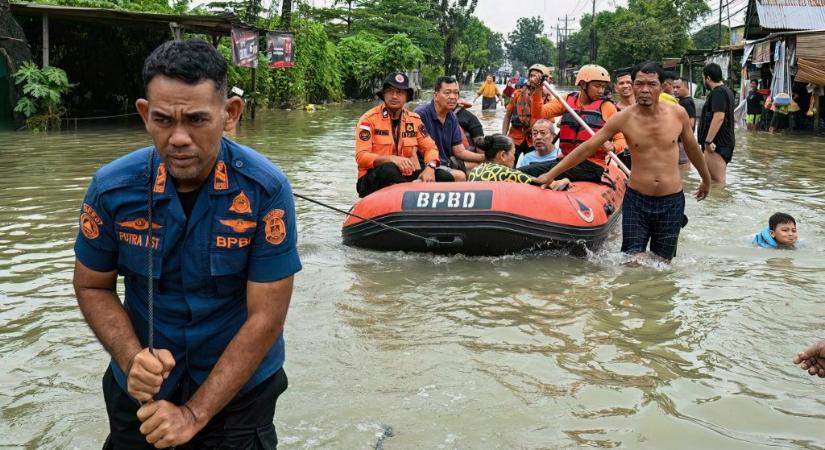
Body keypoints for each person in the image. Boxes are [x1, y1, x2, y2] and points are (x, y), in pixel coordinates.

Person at [72, 39, 301, 449]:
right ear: (145, 114)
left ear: (229, 114)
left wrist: (195, 414)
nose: (178, 138)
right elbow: (92, 285)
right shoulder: (111, 189)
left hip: (239, 392)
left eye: (196, 120)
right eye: (163, 120)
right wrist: (130, 358)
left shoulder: (266, 190)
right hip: (142, 388)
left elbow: (266, 317)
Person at [535, 61, 712, 262]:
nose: (645, 90)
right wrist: (550, 175)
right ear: (633, 86)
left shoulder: (677, 113)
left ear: (662, 86)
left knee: (663, 263)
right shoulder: (623, 118)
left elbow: (692, 149)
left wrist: (706, 179)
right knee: (630, 261)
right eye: (640, 84)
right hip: (637, 200)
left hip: (671, 200)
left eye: (652, 84)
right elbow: (587, 148)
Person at [523, 64, 627, 184]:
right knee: (528, 168)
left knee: (529, 171)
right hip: (565, 162)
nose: (601, 91)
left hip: (591, 166)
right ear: (583, 84)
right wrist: (538, 90)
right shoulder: (566, 100)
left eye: (603, 87)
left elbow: (621, 139)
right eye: (597, 86)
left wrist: (613, 147)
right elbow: (539, 113)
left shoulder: (607, 107)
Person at [355, 72, 454, 197]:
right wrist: (392, 159)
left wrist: (431, 167)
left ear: (407, 96)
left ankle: (415, 195)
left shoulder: (414, 119)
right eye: (390, 91)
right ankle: (413, 190)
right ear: (384, 94)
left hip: (403, 176)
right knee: (389, 168)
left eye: (400, 92)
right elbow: (361, 157)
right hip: (372, 178)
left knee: (444, 176)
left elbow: (430, 147)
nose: (395, 96)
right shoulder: (368, 119)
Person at [415, 76, 483, 177]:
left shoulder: (452, 117)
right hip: (427, 165)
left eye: (456, 93)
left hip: (446, 162)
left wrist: (485, 158)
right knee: (460, 176)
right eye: (447, 93)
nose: (453, 97)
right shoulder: (420, 115)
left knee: (482, 168)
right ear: (436, 95)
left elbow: (459, 151)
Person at [502, 64, 550, 164]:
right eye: (531, 75)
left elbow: (550, 123)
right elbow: (507, 116)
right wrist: (504, 137)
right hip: (514, 138)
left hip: (535, 141)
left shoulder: (547, 98)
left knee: (533, 170)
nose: (533, 79)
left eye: (537, 76)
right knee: (507, 166)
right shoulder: (517, 94)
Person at [697, 62, 736, 184]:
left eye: (703, 78)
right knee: (713, 183)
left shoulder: (718, 92)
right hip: (722, 142)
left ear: (708, 78)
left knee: (717, 183)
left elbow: (719, 117)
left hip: (716, 145)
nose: (703, 81)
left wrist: (708, 141)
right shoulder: (726, 91)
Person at [468, 134, 553, 185]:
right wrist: (565, 180)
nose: (514, 158)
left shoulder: (475, 170)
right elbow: (539, 182)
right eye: (513, 153)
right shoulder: (506, 172)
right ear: (503, 155)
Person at [673, 77, 696, 168]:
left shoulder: (686, 103)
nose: (675, 90)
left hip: (682, 142)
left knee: (683, 169)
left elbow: (691, 123)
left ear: (687, 88)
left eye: (678, 87)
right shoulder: (683, 101)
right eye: (674, 87)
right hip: (683, 142)